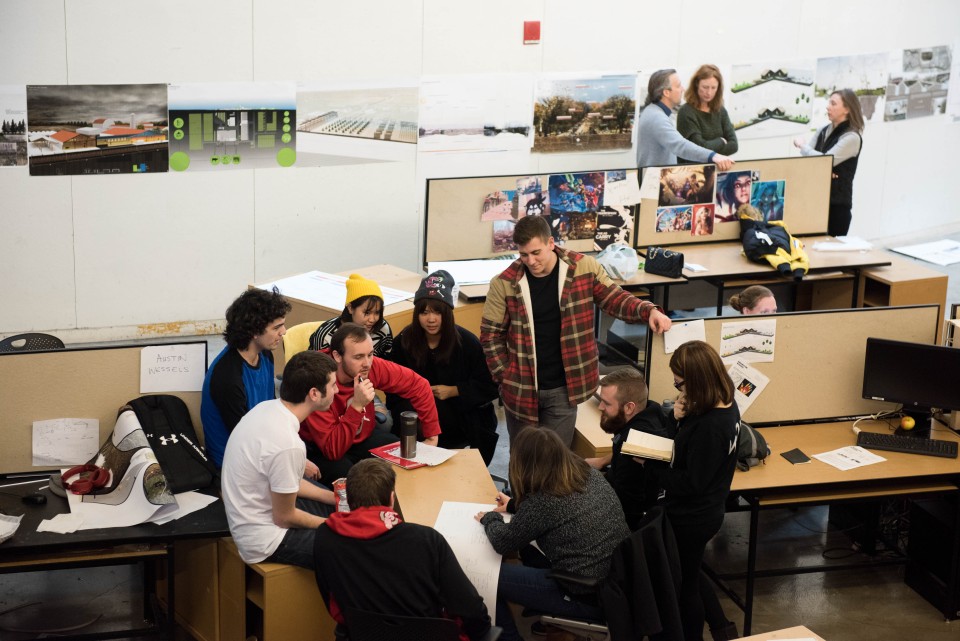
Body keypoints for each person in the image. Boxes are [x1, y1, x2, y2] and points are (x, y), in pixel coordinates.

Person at [481, 215, 672, 447]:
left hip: (564, 387)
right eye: (523, 255)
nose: (530, 261)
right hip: (521, 388)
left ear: (551, 243)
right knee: (524, 462)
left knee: (557, 463)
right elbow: (490, 337)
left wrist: (648, 310)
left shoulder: (583, 268)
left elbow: (615, 298)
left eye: (536, 252)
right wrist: (506, 377)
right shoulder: (504, 283)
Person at [475, 427, 629, 641]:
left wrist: (489, 518)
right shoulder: (586, 473)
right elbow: (561, 513)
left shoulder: (544, 501)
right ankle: (538, 605)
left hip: (585, 595)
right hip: (614, 585)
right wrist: (514, 506)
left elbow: (503, 541)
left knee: (484, 580)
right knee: (527, 550)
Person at [314, 458, 492, 641]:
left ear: (348, 501)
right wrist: (483, 632)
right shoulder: (427, 541)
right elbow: (470, 607)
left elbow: (332, 602)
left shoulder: (325, 538)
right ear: (392, 498)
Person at [644, 341, 741, 641]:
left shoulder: (713, 425)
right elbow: (683, 449)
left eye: (680, 382)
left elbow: (691, 483)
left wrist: (650, 468)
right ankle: (721, 628)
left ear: (697, 379)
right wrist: (676, 419)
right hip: (698, 511)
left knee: (685, 587)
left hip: (694, 517)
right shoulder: (718, 404)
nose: (677, 387)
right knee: (689, 573)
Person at [221, 350, 339, 569]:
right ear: (314, 393)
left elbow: (286, 482)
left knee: (338, 508)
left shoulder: (266, 408)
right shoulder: (289, 445)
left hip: (253, 511)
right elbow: (284, 517)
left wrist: (335, 498)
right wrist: (332, 524)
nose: (337, 390)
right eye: (333, 385)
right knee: (353, 547)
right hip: (265, 540)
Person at [299, 323, 440, 480]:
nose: (367, 363)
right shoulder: (317, 380)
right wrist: (357, 406)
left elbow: (419, 385)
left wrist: (432, 437)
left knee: (403, 458)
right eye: (358, 357)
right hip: (323, 446)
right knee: (353, 480)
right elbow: (333, 450)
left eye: (370, 354)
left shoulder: (368, 366)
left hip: (361, 437)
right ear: (337, 356)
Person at [387, 270, 500, 465]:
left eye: (437, 312)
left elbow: (490, 385)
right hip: (417, 414)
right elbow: (392, 384)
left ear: (447, 313)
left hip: (460, 414)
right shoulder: (405, 341)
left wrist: (455, 390)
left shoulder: (467, 343)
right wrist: (419, 395)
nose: (431, 319)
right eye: (424, 312)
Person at [201, 287, 291, 468]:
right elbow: (245, 439)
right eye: (276, 327)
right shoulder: (227, 376)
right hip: (236, 464)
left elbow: (270, 410)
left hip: (261, 447)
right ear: (254, 332)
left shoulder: (265, 355)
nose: (284, 331)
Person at [585, 367, 671, 530]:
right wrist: (603, 460)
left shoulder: (632, 447)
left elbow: (627, 505)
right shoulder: (654, 411)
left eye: (607, 403)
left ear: (630, 407)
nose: (600, 407)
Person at [793, 89, 865, 237]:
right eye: (829, 102)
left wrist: (803, 146)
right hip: (814, 201)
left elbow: (824, 160)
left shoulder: (852, 137)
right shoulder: (822, 130)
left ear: (847, 109)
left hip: (836, 208)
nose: (828, 107)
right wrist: (823, 169)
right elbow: (809, 163)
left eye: (833, 103)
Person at [637, 69, 734, 171]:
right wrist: (713, 156)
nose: (682, 89)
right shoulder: (656, 118)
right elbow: (680, 145)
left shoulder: (657, 112)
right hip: (654, 183)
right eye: (678, 86)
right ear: (666, 92)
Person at [308, 273, 393, 356]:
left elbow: (388, 362)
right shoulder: (326, 335)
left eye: (377, 312)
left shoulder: (383, 329)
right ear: (350, 308)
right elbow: (316, 367)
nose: (372, 319)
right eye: (367, 313)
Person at [677, 64, 738, 164]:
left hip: (717, 170)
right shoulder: (686, 112)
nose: (709, 92)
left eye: (713, 88)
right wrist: (721, 141)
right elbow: (699, 148)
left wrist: (710, 152)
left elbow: (734, 145)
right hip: (692, 172)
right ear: (696, 84)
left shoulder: (720, 110)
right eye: (705, 87)